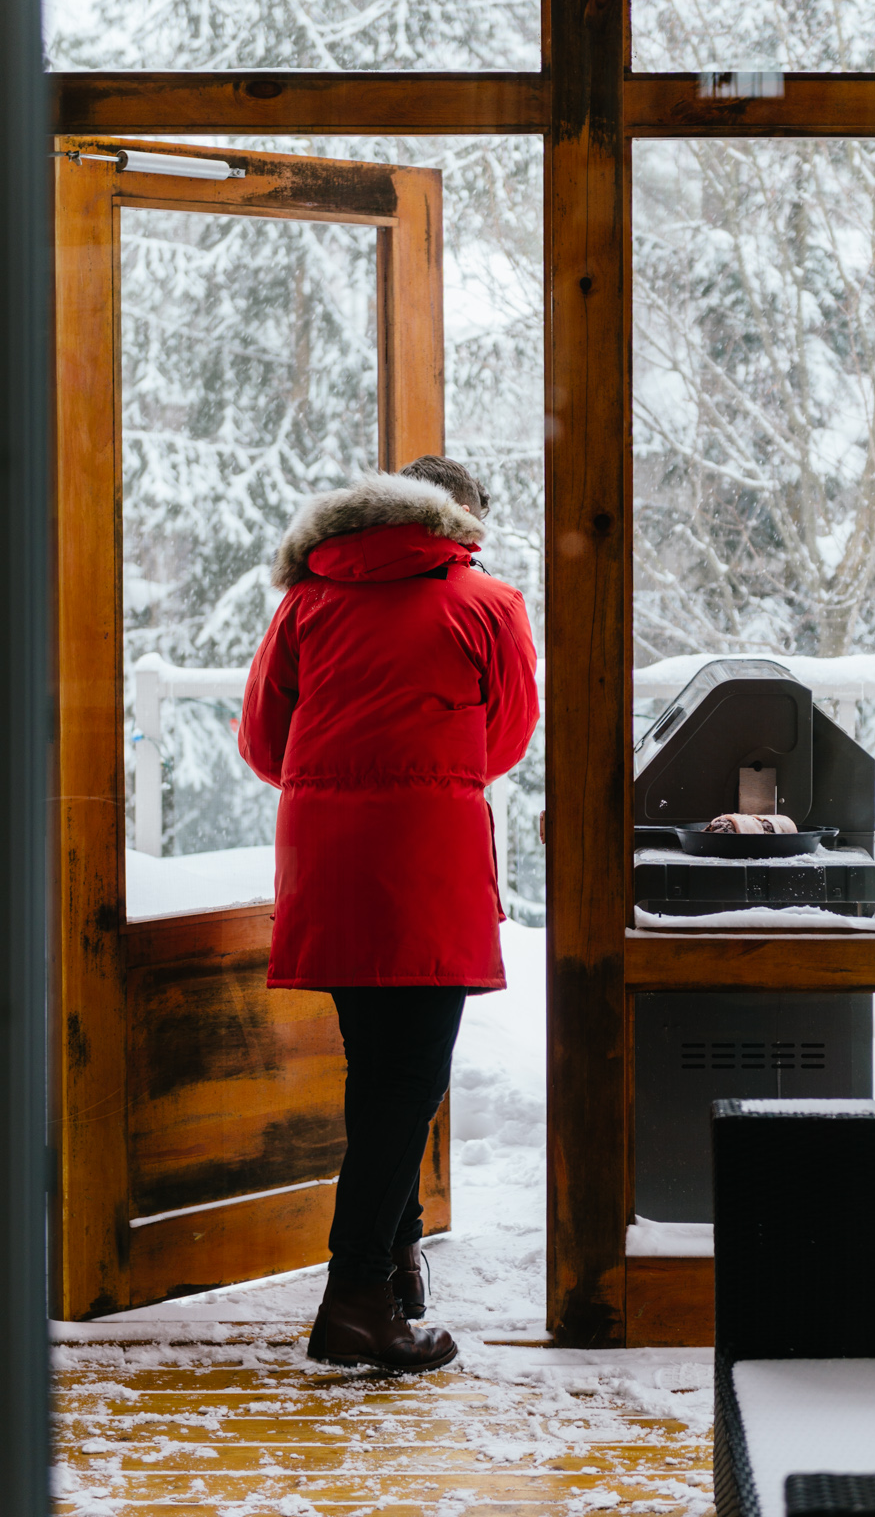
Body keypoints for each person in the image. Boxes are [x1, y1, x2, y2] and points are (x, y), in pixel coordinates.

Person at [239, 457, 539, 1373]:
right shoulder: (485, 602)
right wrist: (426, 768)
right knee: (407, 1084)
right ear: (457, 524)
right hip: (426, 854)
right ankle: (356, 1301)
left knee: (380, 1073)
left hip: (326, 854)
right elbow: (511, 736)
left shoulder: (305, 600)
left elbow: (263, 743)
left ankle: (397, 1269)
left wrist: (344, 777)